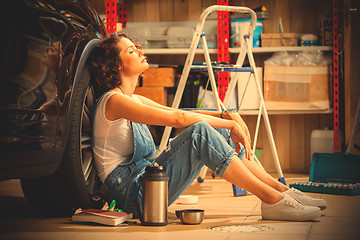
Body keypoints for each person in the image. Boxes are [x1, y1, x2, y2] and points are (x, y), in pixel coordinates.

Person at [89, 32, 326, 222]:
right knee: (200, 132)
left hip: (150, 184)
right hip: (132, 196)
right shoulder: (114, 101)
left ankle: (280, 190)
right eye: (131, 50)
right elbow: (178, 120)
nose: (140, 51)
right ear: (117, 65)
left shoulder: (132, 98)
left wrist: (225, 115)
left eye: (137, 46)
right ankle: (271, 200)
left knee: (218, 130)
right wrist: (231, 123)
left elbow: (176, 112)